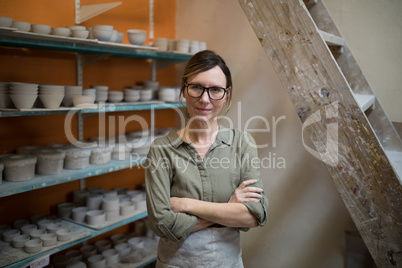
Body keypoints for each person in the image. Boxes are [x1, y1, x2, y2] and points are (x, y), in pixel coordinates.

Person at [145, 50, 268, 268]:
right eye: (196, 87)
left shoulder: (242, 143)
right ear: (184, 89)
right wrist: (229, 207)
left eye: (215, 90)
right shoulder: (162, 149)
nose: (204, 99)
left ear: (227, 94)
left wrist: (186, 204)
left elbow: (253, 216)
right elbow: (161, 224)